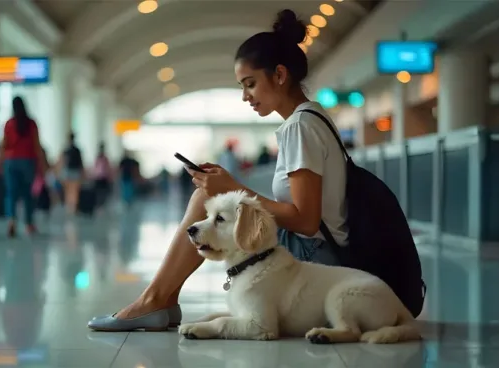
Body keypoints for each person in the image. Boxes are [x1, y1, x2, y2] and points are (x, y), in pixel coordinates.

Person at [88, 9, 348, 331]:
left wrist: (232, 188)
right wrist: (229, 187)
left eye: (250, 84)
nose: (245, 97)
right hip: (320, 247)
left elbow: (307, 221)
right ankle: (161, 299)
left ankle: (156, 300)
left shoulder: (300, 126)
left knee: (207, 199)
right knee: (210, 195)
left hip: (320, 256)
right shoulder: (311, 118)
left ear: (280, 75)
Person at [1, 96, 46, 237]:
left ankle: (12, 221)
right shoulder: (31, 124)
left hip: (11, 161)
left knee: (11, 193)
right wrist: (42, 164)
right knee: (28, 194)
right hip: (28, 161)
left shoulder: (9, 124)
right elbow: (37, 145)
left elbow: (4, 144)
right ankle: (29, 224)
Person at [58, 133, 85, 214]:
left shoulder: (66, 150)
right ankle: (73, 206)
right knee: (74, 190)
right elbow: (80, 163)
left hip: (69, 171)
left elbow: (63, 161)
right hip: (74, 171)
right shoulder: (77, 150)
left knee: (69, 190)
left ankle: (70, 206)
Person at [92, 143, 112, 209]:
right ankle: (100, 204)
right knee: (100, 192)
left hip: (101, 177)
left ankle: (101, 204)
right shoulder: (101, 158)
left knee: (102, 192)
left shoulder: (103, 158)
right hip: (100, 177)